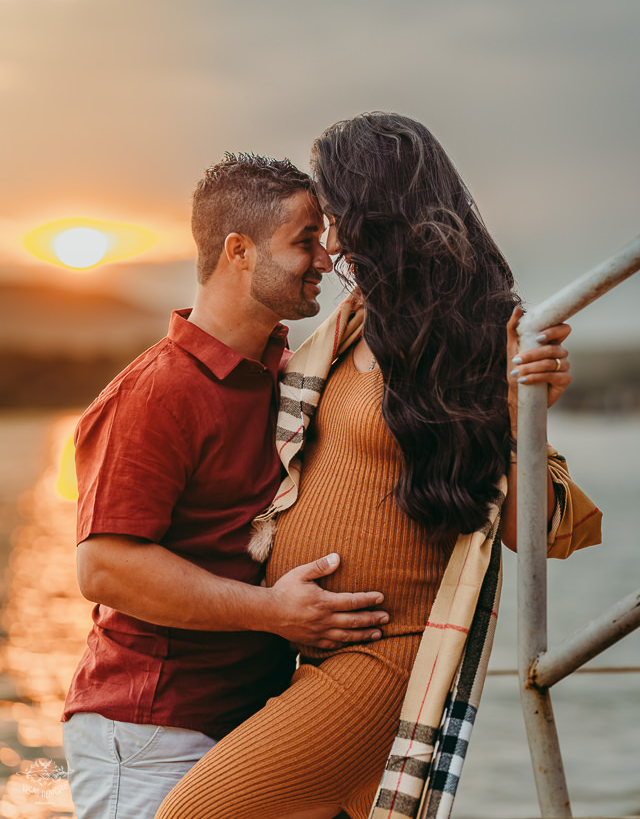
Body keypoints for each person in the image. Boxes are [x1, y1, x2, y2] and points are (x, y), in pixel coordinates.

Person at [156, 114, 602, 819]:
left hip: (385, 652)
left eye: (333, 219)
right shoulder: (359, 320)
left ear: (377, 210)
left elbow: (533, 534)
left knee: (190, 814)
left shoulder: (484, 331)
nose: (328, 248)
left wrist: (524, 409)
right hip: (314, 654)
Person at [62, 153, 391, 819]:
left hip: (253, 724)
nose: (323, 260)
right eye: (305, 241)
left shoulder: (290, 371)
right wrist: (274, 611)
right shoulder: (156, 392)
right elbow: (104, 567)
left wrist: (530, 372)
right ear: (239, 252)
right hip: (153, 735)